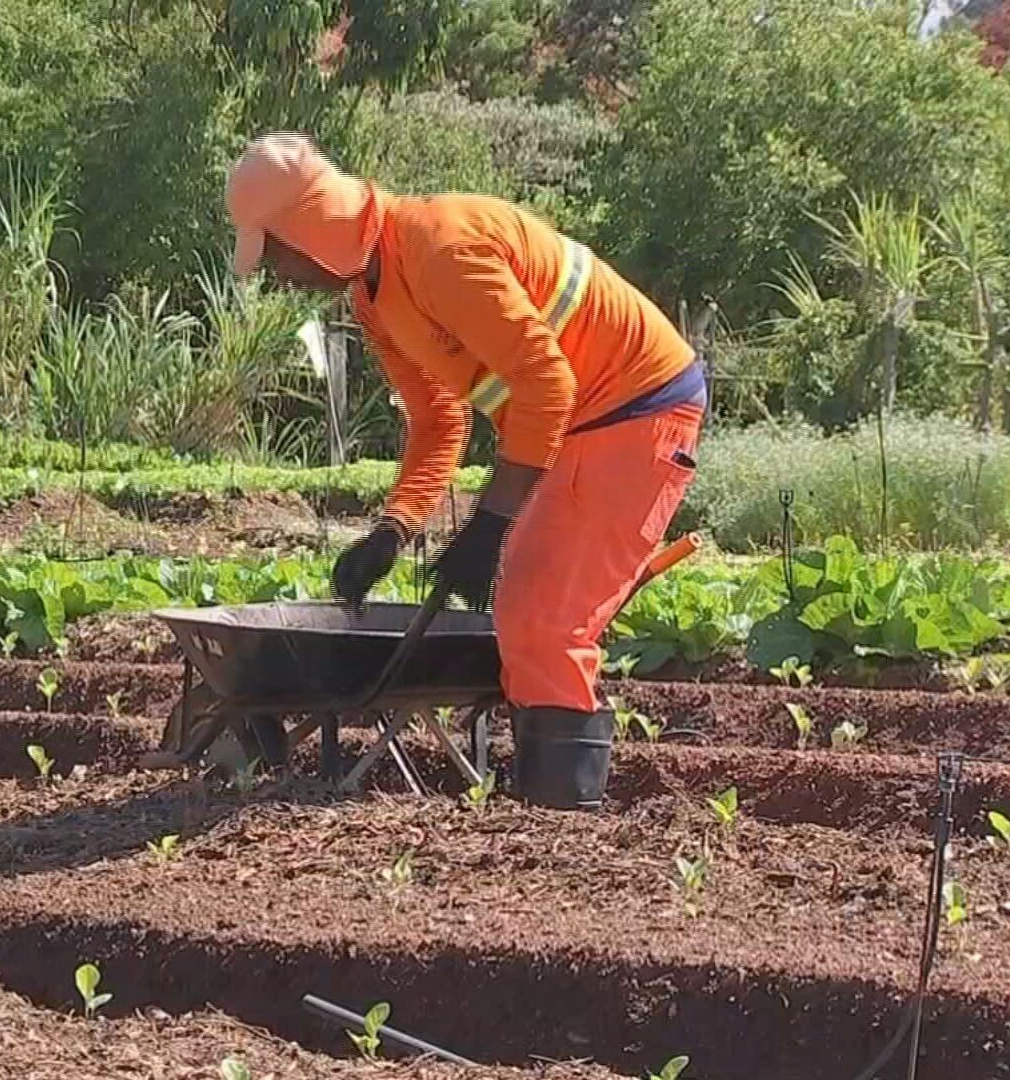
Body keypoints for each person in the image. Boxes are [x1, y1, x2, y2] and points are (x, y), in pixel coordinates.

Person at [225, 133, 704, 810]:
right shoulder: (374, 296)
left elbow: (546, 385)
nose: (280, 274)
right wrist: (393, 531)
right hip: (579, 424)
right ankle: (549, 808)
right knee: (530, 615)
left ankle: (562, 825)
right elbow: (437, 418)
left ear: (311, 232)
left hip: (635, 411)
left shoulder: (438, 247)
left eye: (276, 253)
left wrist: (490, 525)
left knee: (544, 622)